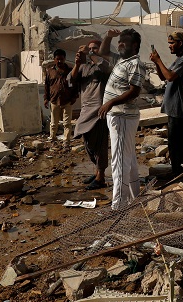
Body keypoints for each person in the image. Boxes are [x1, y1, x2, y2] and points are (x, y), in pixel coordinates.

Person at [98, 29, 144, 209]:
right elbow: (102, 52)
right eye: (120, 41)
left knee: (119, 162)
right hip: (118, 116)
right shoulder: (121, 60)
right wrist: (108, 36)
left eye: (124, 42)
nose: (120, 44)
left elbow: (134, 91)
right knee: (129, 159)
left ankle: (119, 206)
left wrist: (110, 103)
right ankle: (135, 198)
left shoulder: (135, 64)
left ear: (134, 45)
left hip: (122, 116)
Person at [72, 30, 117, 190]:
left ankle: (101, 177)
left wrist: (91, 55)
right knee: (88, 143)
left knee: (99, 144)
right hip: (86, 110)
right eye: (89, 48)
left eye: (94, 49)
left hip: (99, 110)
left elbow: (105, 68)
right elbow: (71, 80)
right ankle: (98, 170)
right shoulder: (85, 67)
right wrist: (77, 63)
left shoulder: (105, 64)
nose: (91, 51)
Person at [150, 31, 183, 174]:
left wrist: (158, 61)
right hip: (175, 109)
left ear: (180, 43)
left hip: (179, 109)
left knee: (178, 145)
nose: (169, 46)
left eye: (171, 43)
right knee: (177, 144)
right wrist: (156, 63)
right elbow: (163, 77)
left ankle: (181, 173)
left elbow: (169, 77)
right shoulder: (178, 60)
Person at [43, 49, 77, 143]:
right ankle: (52, 138)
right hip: (54, 100)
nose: (59, 61)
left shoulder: (70, 71)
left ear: (65, 59)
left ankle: (66, 140)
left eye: (61, 59)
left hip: (67, 100)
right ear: (54, 59)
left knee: (67, 123)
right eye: (57, 59)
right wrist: (46, 98)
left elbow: (75, 84)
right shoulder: (50, 71)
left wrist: (74, 97)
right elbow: (47, 86)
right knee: (54, 123)